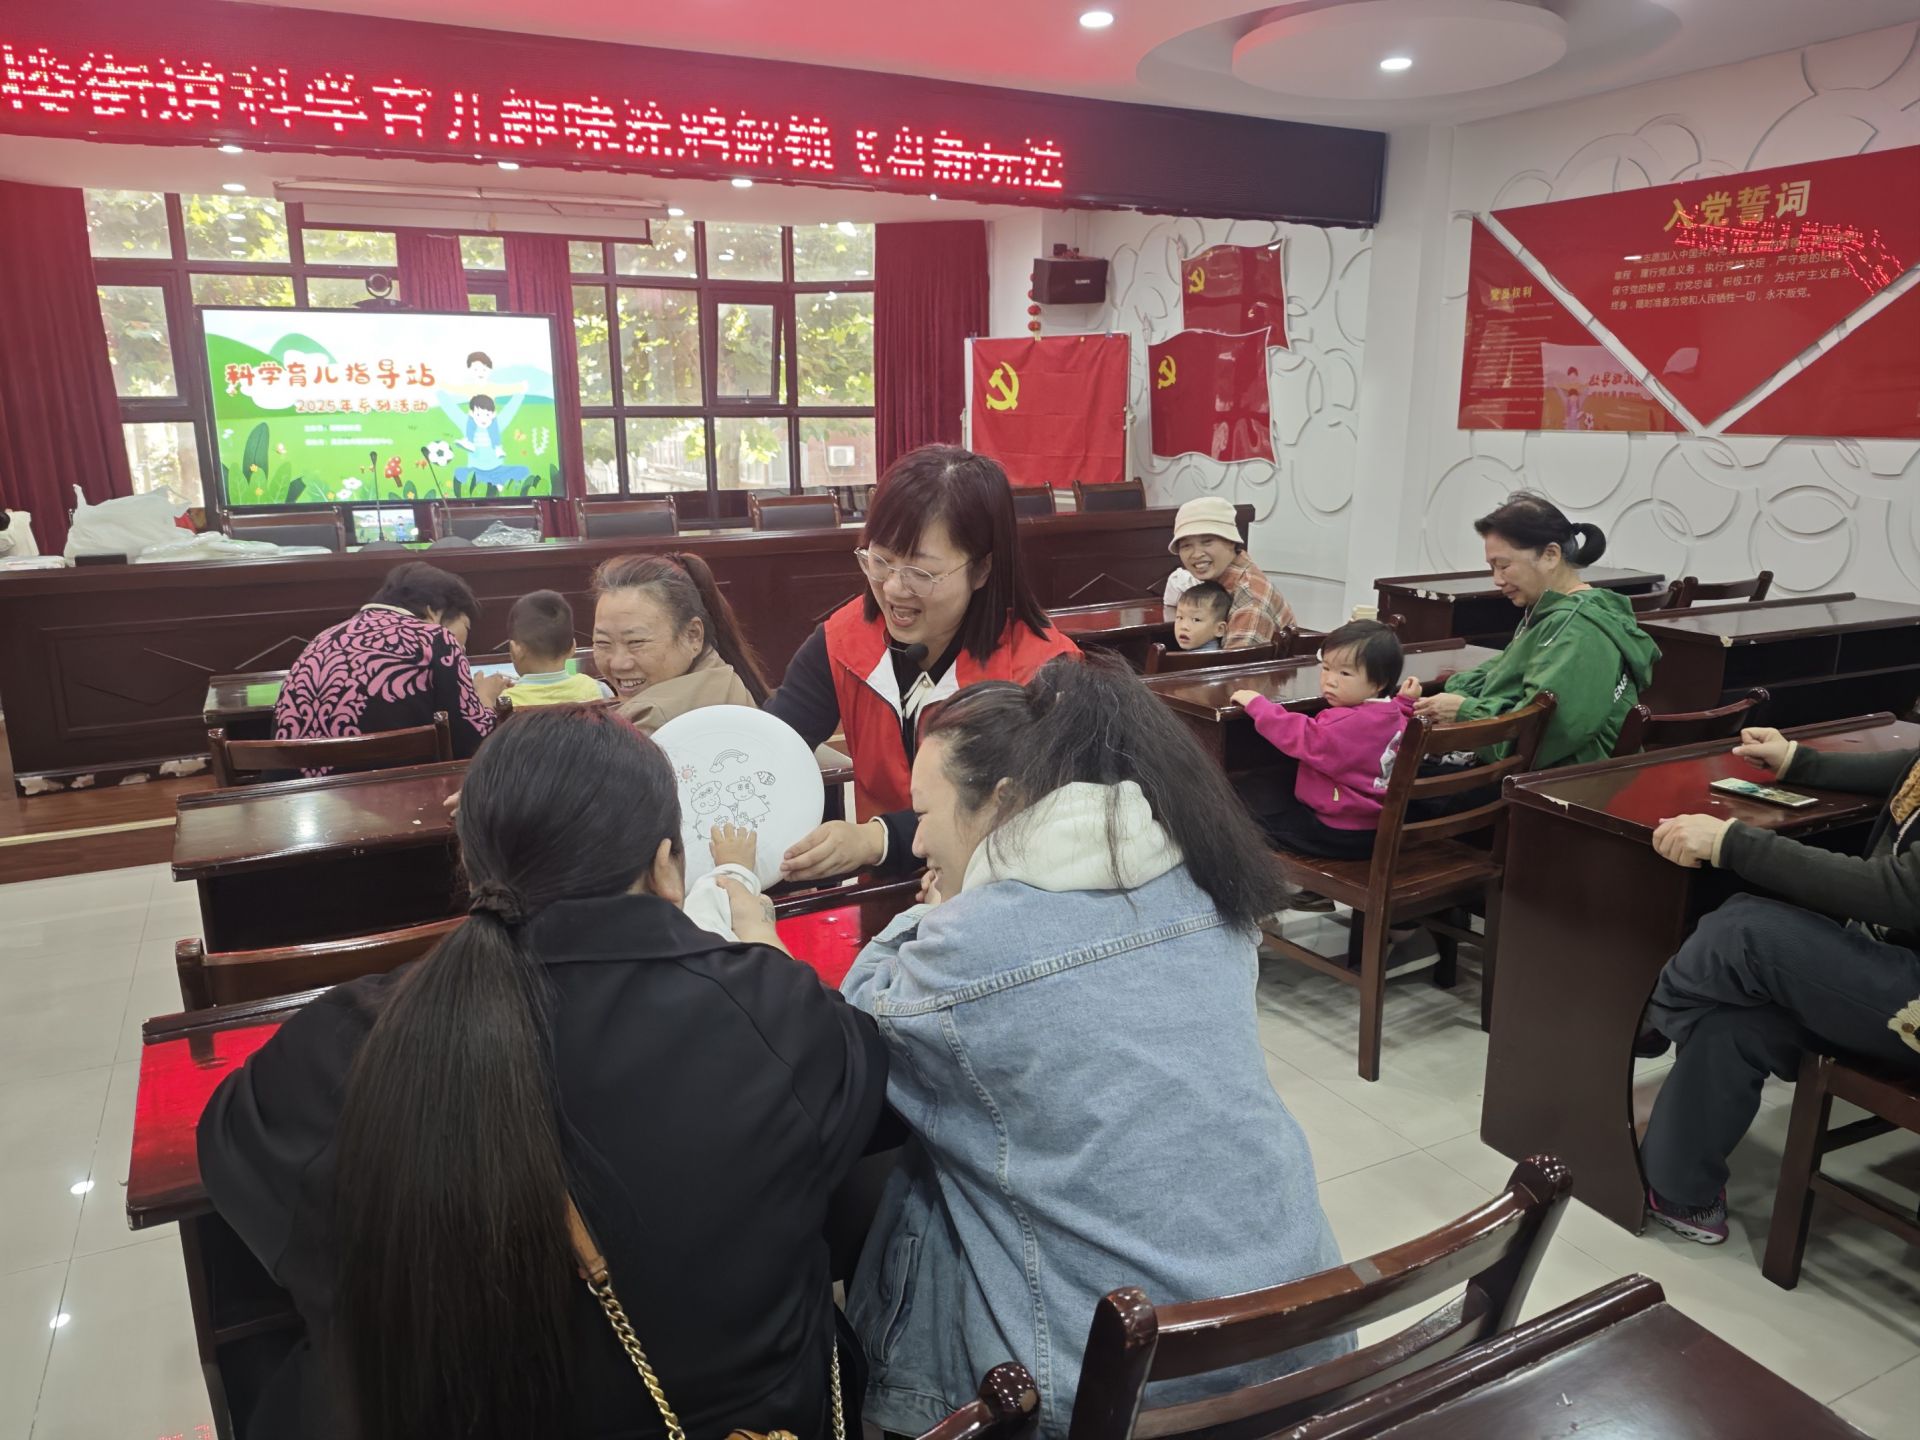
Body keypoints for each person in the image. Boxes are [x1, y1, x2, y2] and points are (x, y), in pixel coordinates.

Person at [198, 706, 888, 1440]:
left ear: (471, 866)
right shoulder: (775, 1015)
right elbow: (858, 1082)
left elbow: (235, 1155)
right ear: (666, 865)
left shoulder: (346, 1043)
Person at [840, 655, 1350, 1435]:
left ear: (1003, 802)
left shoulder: (978, 942)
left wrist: (928, 915)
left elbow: (859, 1015)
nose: (919, 843)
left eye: (926, 814)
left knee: (929, 1193)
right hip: (1302, 1321)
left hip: (1136, 1386)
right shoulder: (1198, 873)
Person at [1636, 725, 1920, 1244]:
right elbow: (1909, 767)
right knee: (1736, 1021)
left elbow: (1903, 892)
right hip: (1896, 966)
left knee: (1745, 931)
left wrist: (1734, 844)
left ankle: (1650, 1020)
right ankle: (1679, 1189)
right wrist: (1797, 761)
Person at [764, 445, 1079, 883]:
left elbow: (1018, 814)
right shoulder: (843, 642)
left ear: (982, 570)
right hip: (884, 895)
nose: (894, 589)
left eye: (922, 572)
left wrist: (876, 839)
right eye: (881, 561)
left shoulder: (1041, 670)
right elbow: (772, 748)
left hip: (994, 894)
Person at [1402, 493, 1658, 769]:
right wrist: (1456, 694)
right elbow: (1502, 671)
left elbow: (1546, 734)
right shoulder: (1556, 611)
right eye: (1492, 568)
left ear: (1550, 555)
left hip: (1555, 780)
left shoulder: (1577, 629)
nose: (1497, 579)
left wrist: (1464, 712)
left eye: (1504, 566)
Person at [275, 560, 505, 762]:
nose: (463, 648)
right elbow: (475, 744)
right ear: (433, 611)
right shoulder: (436, 638)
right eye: (465, 628)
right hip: (394, 790)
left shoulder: (324, 636)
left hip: (296, 791)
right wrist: (485, 697)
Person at [1233, 619, 1416, 861]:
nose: (1330, 680)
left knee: (1249, 817)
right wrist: (1405, 703)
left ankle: (1277, 875)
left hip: (1335, 831)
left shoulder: (1347, 723)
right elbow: (1398, 718)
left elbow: (1300, 734)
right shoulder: (1393, 715)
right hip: (1373, 828)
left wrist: (1258, 705)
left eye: (1345, 673)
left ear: (1379, 683)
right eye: (1326, 667)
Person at [592, 552, 771, 734]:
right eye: (603, 642)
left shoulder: (649, 720)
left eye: (636, 642)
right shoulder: (723, 677)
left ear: (693, 635)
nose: (618, 663)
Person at [1162, 495, 1295, 646]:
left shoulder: (1249, 598)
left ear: (1231, 541)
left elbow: (1240, 661)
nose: (1196, 554)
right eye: (1186, 545)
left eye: (1207, 542)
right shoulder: (1217, 578)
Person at [501, 590, 613, 707]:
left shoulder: (505, 701)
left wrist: (491, 697)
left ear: (515, 650)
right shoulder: (599, 690)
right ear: (573, 647)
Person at [1172, 579, 1231, 652]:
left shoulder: (1206, 657)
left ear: (1219, 629)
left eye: (1196, 620)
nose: (1184, 626)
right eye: (1180, 617)